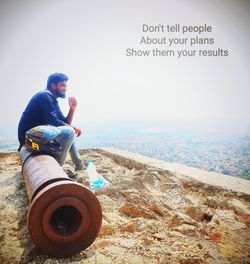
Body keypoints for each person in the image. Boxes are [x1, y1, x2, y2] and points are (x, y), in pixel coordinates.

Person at [17, 73, 85, 171]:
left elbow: (65, 123)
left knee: (70, 132)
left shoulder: (52, 100)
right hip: (29, 139)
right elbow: (53, 121)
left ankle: (80, 166)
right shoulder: (45, 95)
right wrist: (72, 128)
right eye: (63, 85)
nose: (65, 88)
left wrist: (72, 109)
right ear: (53, 86)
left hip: (39, 137)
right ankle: (57, 168)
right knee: (70, 131)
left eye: (66, 85)